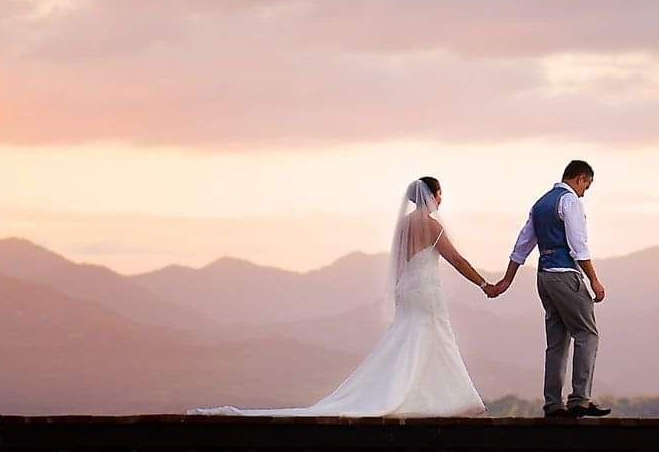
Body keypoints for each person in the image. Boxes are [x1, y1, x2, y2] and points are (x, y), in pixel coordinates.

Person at [196, 177, 491, 416]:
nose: (441, 200)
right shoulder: (432, 225)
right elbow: (457, 260)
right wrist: (484, 284)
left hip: (407, 290)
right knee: (433, 338)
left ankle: (422, 396)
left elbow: (400, 265)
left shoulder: (403, 226)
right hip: (426, 291)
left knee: (408, 340)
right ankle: (447, 400)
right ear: (434, 196)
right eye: (440, 194)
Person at [486, 159, 610, 418]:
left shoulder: (540, 204)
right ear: (580, 179)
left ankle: (553, 403)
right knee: (587, 334)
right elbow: (579, 246)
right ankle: (579, 399)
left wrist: (507, 280)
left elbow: (523, 244)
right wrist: (594, 280)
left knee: (557, 342)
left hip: (544, 277)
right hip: (565, 275)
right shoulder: (571, 201)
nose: (585, 191)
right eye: (587, 185)